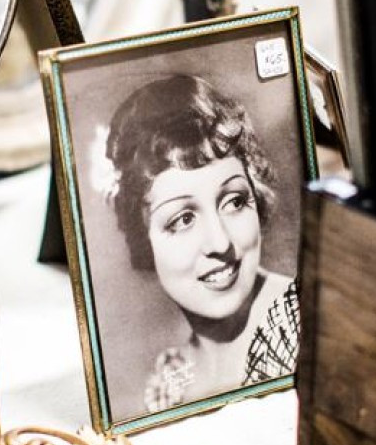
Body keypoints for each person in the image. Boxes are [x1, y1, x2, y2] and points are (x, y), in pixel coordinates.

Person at [102, 74, 299, 414]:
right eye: (182, 220)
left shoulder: (301, 323)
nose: (220, 242)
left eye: (234, 201)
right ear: (144, 240)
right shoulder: (171, 380)